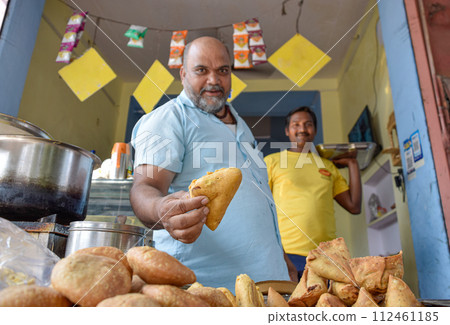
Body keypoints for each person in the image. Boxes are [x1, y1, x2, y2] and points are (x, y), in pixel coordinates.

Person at [130, 36, 295, 292]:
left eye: (223, 70)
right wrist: (162, 208)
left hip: (271, 280)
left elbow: (258, 201)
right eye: (201, 70)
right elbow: (145, 186)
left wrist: (281, 258)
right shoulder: (169, 118)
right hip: (207, 289)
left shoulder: (242, 126)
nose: (214, 80)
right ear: (183, 74)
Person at [264, 106, 362, 278]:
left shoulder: (328, 166)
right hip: (288, 254)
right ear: (287, 131)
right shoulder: (272, 162)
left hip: (327, 255)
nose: (302, 129)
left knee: (328, 304)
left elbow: (354, 206)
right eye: (296, 124)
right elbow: (260, 209)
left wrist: (353, 165)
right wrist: (277, 253)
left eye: (308, 124)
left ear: (315, 130)